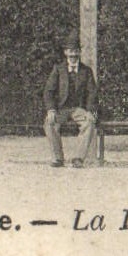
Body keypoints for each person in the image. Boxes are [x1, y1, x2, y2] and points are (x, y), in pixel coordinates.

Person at [43, 35, 98, 167]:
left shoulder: (86, 71)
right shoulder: (58, 69)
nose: (73, 54)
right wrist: (51, 110)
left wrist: (90, 111)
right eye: (70, 51)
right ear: (66, 52)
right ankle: (58, 158)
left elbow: (92, 93)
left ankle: (78, 158)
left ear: (79, 52)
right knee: (49, 123)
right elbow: (48, 91)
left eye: (75, 51)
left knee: (89, 122)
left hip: (78, 109)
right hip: (61, 109)